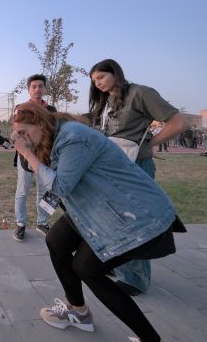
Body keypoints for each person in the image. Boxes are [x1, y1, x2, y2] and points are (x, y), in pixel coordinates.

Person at [11, 101, 179, 342]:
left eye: (25, 132)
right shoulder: (52, 134)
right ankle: (78, 312)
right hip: (97, 206)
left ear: (40, 123)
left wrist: (27, 151)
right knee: (56, 241)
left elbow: (59, 185)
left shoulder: (73, 137)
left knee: (87, 269)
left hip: (132, 213)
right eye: (18, 134)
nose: (22, 137)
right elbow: (40, 170)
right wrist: (27, 149)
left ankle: (150, 339)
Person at [88, 59, 187, 296]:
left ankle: (135, 279)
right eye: (94, 81)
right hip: (112, 167)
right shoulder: (107, 100)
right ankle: (117, 264)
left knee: (133, 222)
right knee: (113, 220)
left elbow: (179, 122)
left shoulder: (141, 93)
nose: (98, 83)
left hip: (135, 167)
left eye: (101, 77)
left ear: (115, 72)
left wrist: (151, 144)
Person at [13, 74, 55, 242]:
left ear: (45, 88)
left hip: (45, 155)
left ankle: (42, 222)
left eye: (40, 86)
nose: (37, 89)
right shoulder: (21, 108)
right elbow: (18, 132)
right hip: (26, 155)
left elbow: (54, 131)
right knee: (22, 191)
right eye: (34, 86)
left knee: (45, 191)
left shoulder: (51, 110)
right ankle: (20, 224)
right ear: (29, 89)